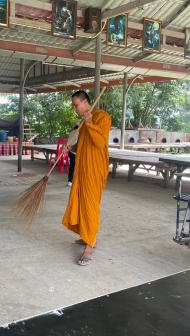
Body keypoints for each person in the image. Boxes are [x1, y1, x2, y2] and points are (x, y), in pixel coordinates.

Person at [62, 90, 111, 266]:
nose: (75, 108)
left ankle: (90, 246)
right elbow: (84, 147)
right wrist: (71, 149)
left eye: (76, 105)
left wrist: (90, 123)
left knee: (90, 206)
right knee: (81, 203)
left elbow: (99, 143)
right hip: (82, 169)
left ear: (85, 102)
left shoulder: (102, 117)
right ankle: (86, 235)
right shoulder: (82, 122)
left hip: (94, 171)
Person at [67, 121, 81, 187]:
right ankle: (70, 180)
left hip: (72, 152)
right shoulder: (77, 132)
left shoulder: (73, 132)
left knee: (72, 167)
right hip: (74, 152)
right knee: (73, 167)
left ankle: (71, 180)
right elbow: (74, 144)